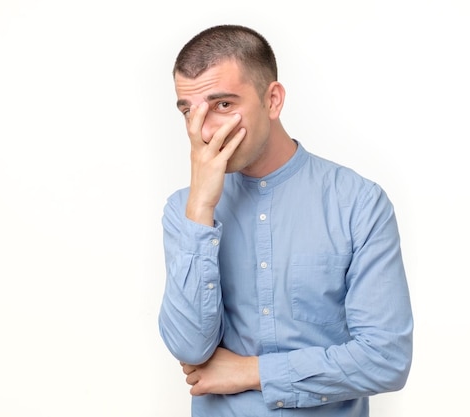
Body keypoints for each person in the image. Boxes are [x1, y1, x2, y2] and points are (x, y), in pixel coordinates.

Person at [158, 24, 413, 417]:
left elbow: (385, 359)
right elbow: (190, 347)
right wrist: (201, 209)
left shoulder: (358, 203)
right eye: (189, 110)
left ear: (272, 100)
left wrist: (252, 371)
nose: (204, 130)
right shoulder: (185, 213)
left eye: (223, 105)